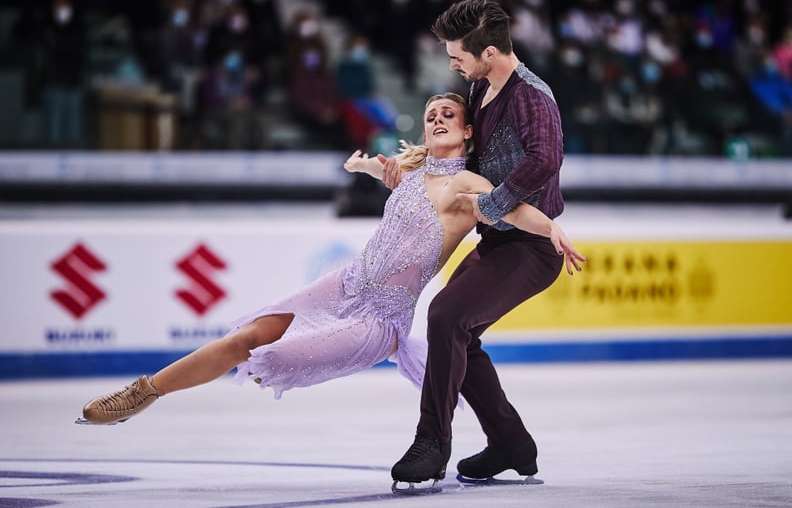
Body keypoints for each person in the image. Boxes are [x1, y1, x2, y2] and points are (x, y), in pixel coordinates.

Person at [79, 93, 584, 429]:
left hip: (380, 318)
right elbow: (385, 171)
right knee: (247, 336)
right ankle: (142, 394)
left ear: (468, 132)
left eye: (447, 114)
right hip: (345, 284)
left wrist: (553, 229)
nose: (435, 119)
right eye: (430, 113)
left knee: (266, 360)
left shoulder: (466, 186)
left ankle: (492, 436)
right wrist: (366, 166)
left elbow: (514, 209)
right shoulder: (408, 172)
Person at [388, 0, 570, 489]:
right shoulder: (479, 87)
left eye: (457, 56)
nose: (452, 64)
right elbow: (454, 151)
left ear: (488, 52)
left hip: (530, 247)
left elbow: (545, 160)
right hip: (497, 243)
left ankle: (432, 443)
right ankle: (511, 444)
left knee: (446, 316)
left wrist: (493, 205)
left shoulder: (531, 96)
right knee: (458, 333)